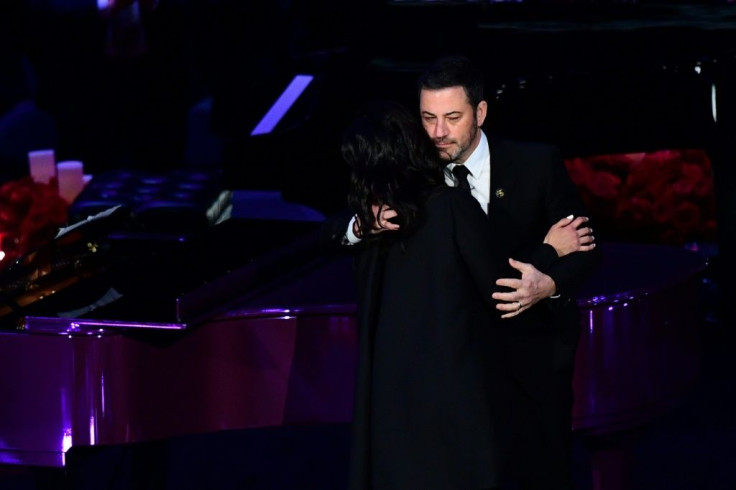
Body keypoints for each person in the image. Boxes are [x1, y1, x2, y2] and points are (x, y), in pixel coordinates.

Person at [324, 55, 600, 489]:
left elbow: (583, 246)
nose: (438, 132)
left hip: (530, 359)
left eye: (452, 117)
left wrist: (548, 284)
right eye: (428, 117)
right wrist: (363, 223)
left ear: (481, 112)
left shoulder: (535, 164)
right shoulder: (418, 170)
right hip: (463, 379)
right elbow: (338, 225)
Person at [341, 99, 507, 490]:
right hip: (453, 410)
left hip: (391, 414)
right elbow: (502, 290)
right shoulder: (449, 208)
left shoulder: (374, 224)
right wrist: (551, 252)